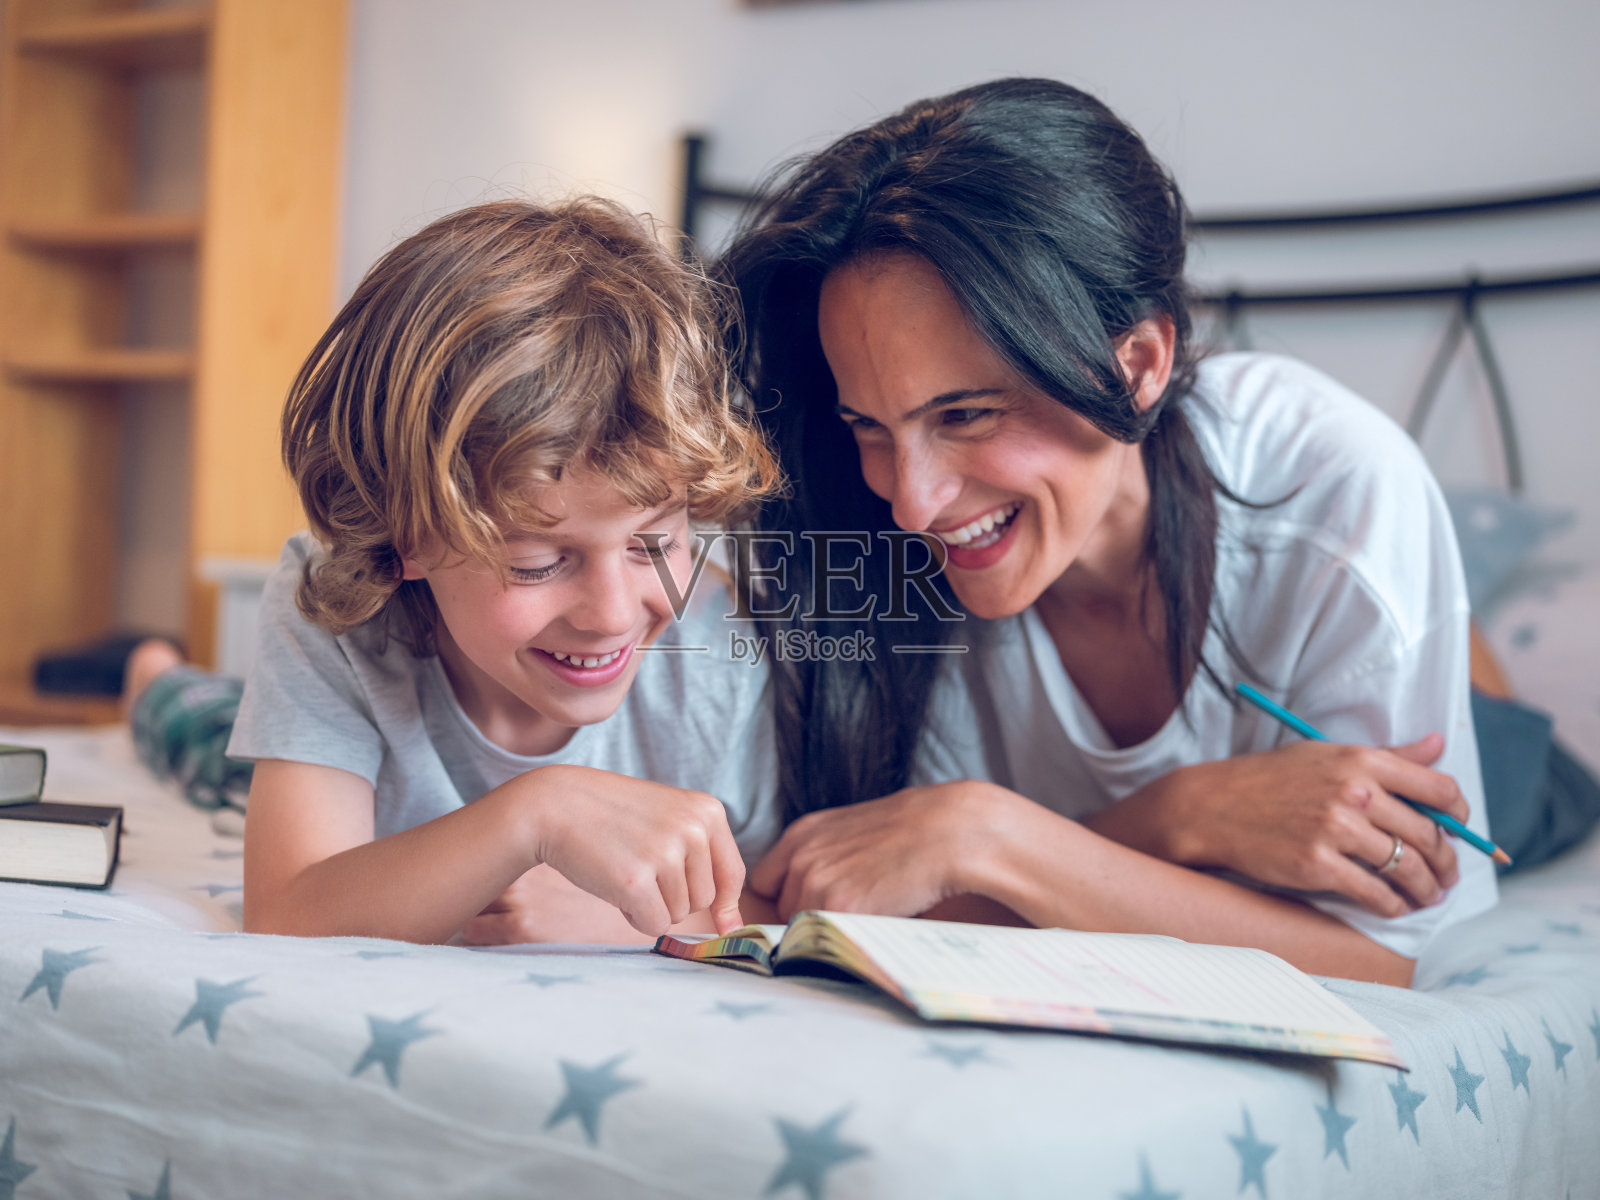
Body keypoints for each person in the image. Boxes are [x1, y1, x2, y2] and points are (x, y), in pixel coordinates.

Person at [718, 78, 1497, 986]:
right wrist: (1175, 814)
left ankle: (1488, 666)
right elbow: (882, 897)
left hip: (1472, 747)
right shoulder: (856, 548)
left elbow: (1377, 965)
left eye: (965, 414)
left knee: (1526, 767)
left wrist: (987, 834)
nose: (913, 505)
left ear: (1138, 367)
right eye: (869, 426)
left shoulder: (1335, 491)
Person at [178, 198, 781, 946]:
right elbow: (287, 908)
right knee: (196, 735)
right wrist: (538, 812)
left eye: (652, 542)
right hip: (266, 744)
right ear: (403, 540)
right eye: (538, 562)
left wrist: (615, 920)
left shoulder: (721, 650)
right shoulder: (335, 608)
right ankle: (153, 675)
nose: (614, 614)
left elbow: (778, 902)